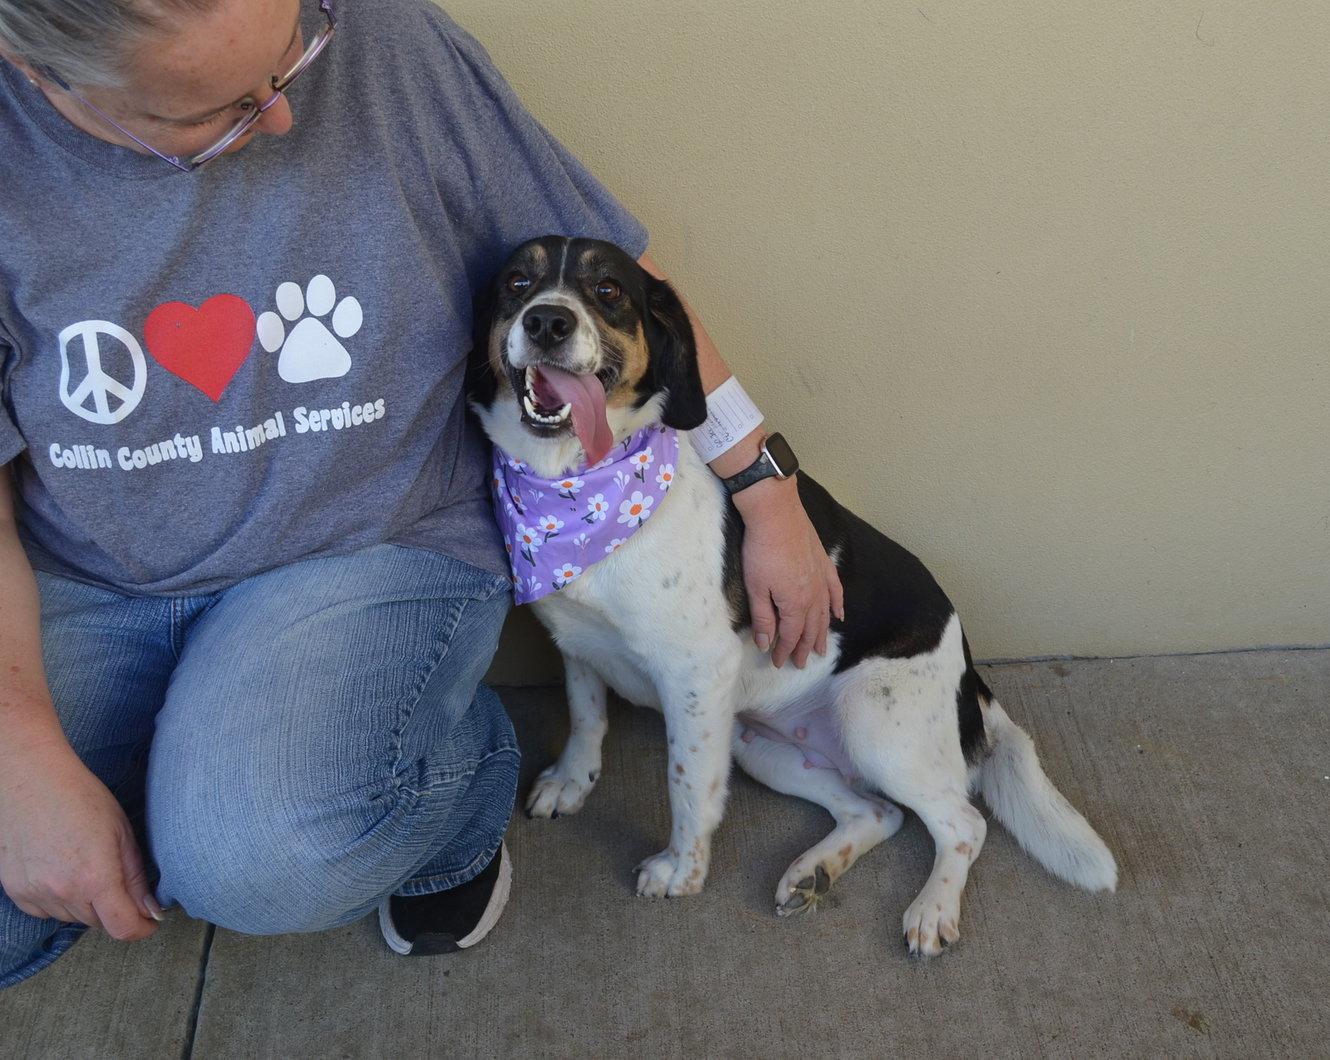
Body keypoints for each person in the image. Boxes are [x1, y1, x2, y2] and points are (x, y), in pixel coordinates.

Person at [0, 0, 843, 986]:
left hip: (365, 548)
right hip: (83, 579)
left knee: (257, 861)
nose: (281, 116)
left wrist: (764, 486)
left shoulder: (388, 47)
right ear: (35, 68)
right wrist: (22, 756)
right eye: (214, 113)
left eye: (291, 56)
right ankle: (206, 773)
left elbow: (628, 275)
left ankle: (460, 783)